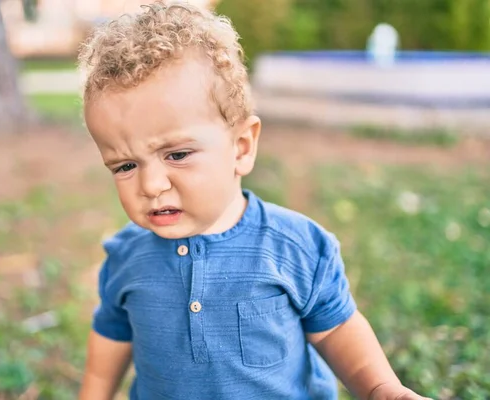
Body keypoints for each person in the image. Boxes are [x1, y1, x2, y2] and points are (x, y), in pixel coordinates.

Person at [77, 2, 431, 399]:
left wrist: (381, 388)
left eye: (176, 155)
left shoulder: (295, 247)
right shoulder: (127, 256)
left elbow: (335, 330)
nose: (152, 184)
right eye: (125, 165)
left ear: (241, 148)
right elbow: (110, 342)